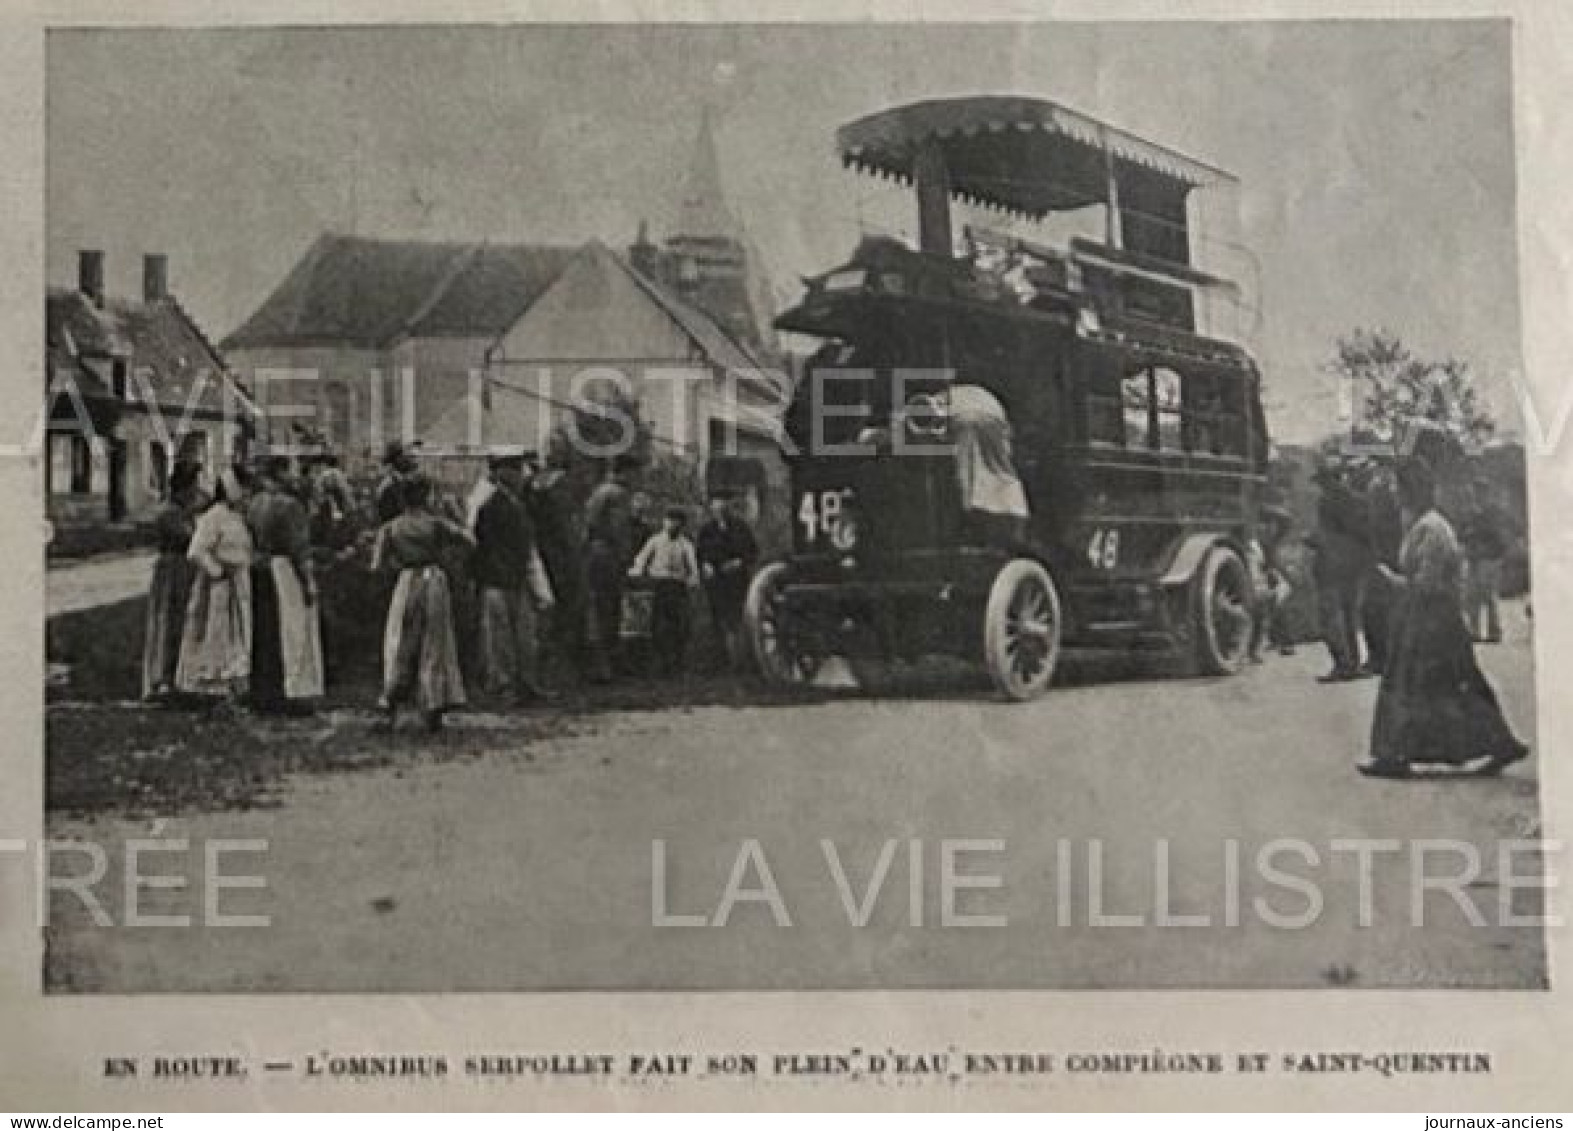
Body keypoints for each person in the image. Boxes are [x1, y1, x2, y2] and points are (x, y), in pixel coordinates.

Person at [1359, 457, 1529, 779]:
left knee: (1418, 685)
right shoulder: (1422, 525)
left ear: (1412, 491)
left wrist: (1391, 580)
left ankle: (1395, 755)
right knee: (1442, 685)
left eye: (1398, 488)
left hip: (1433, 618)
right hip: (1426, 615)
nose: (1395, 495)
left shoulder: (1432, 529)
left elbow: (1427, 583)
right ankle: (1400, 753)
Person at [371, 474, 472, 731]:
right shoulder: (436, 524)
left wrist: (395, 565)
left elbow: (376, 565)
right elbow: (469, 540)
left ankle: (394, 701)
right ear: (426, 496)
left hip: (405, 580)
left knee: (399, 640)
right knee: (435, 641)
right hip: (433, 579)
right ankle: (433, 702)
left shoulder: (391, 528)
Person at [472, 448, 556, 704]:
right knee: (499, 639)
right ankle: (503, 687)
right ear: (501, 473)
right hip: (496, 579)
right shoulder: (489, 505)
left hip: (516, 577)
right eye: (514, 470)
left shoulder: (517, 502)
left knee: (524, 636)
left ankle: (527, 684)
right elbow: (481, 545)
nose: (521, 475)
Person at [246, 455, 325, 712]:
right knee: (291, 629)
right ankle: (291, 691)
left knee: (265, 630)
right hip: (285, 570)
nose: (295, 477)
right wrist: (309, 582)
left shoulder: (254, 503)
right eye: (290, 471)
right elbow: (299, 548)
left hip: (260, 567)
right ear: (280, 474)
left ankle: (264, 691)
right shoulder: (289, 506)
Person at [175, 467, 254, 701]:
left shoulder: (235, 516)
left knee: (237, 631)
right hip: (218, 586)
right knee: (216, 631)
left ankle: (233, 680)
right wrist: (217, 571)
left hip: (237, 582)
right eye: (244, 489)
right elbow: (196, 551)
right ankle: (211, 683)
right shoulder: (214, 516)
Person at [142, 461, 202, 700]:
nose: (197, 492)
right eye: (194, 486)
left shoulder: (182, 512)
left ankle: (176, 676)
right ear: (184, 488)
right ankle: (162, 678)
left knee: (181, 620)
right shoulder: (170, 513)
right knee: (168, 620)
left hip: (183, 570)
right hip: (172, 570)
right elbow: (187, 539)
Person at [528, 445, 589, 682]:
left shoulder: (535, 483)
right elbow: (567, 526)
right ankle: (560, 667)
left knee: (547, 612)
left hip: (543, 552)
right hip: (561, 555)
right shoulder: (560, 484)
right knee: (567, 609)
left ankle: (548, 666)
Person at [1310, 459, 1371, 681]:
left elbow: (1326, 535)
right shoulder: (1357, 500)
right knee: (1349, 614)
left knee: (1330, 616)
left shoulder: (1326, 501)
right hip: (1352, 564)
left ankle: (1342, 663)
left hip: (1331, 564)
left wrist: (1314, 541)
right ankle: (1353, 663)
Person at [628, 507, 701, 678]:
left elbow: (693, 567)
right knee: (658, 626)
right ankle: (661, 664)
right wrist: (637, 572)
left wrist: (693, 580)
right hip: (659, 586)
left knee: (679, 627)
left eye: (676, 521)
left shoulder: (685, 544)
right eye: (669, 520)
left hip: (677, 587)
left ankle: (677, 664)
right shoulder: (655, 541)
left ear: (682, 525)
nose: (671, 524)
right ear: (664, 522)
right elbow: (641, 559)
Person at [583, 461, 637, 682]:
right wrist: (625, 555)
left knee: (603, 609)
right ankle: (604, 666)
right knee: (608, 610)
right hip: (608, 556)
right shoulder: (616, 494)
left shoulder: (598, 492)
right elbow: (618, 529)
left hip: (597, 554)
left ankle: (605, 664)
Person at [696, 491, 759, 670]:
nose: (719, 509)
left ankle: (740, 661)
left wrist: (738, 562)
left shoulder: (740, 527)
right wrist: (705, 565)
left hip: (736, 581)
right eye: (715, 507)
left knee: (736, 619)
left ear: (729, 507)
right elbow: (699, 553)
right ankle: (719, 661)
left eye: (723, 506)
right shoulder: (707, 530)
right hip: (715, 582)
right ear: (711, 509)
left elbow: (752, 551)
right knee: (717, 620)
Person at [1361, 462, 1403, 674]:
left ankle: (1381, 658)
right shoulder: (1389, 494)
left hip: (1386, 560)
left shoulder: (1388, 497)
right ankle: (1381, 657)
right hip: (1384, 559)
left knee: (1377, 610)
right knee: (1377, 610)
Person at [1247, 505, 1295, 663]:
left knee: (1275, 606)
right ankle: (1268, 644)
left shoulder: (1271, 542)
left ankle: (1282, 641)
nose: (1268, 529)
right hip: (1261, 577)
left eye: (1271, 525)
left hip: (1270, 577)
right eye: (1265, 524)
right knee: (1266, 609)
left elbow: (1274, 564)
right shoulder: (1258, 542)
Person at [1461, 484, 1507, 643]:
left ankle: (1495, 631)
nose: (1477, 496)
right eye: (1475, 493)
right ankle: (1474, 630)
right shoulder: (1473, 512)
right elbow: (1464, 531)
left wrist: (1475, 532)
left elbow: (1496, 535)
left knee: (1488, 595)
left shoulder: (1492, 512)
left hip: (1489, 557)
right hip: (1475, 557)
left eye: (1480, 493)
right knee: (1473, 595)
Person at [375, 441, 419, 524]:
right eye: (403, 456)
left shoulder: (402, 482)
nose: (407, 460)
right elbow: (388, 518)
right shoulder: (389, 485)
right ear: (396, 459)